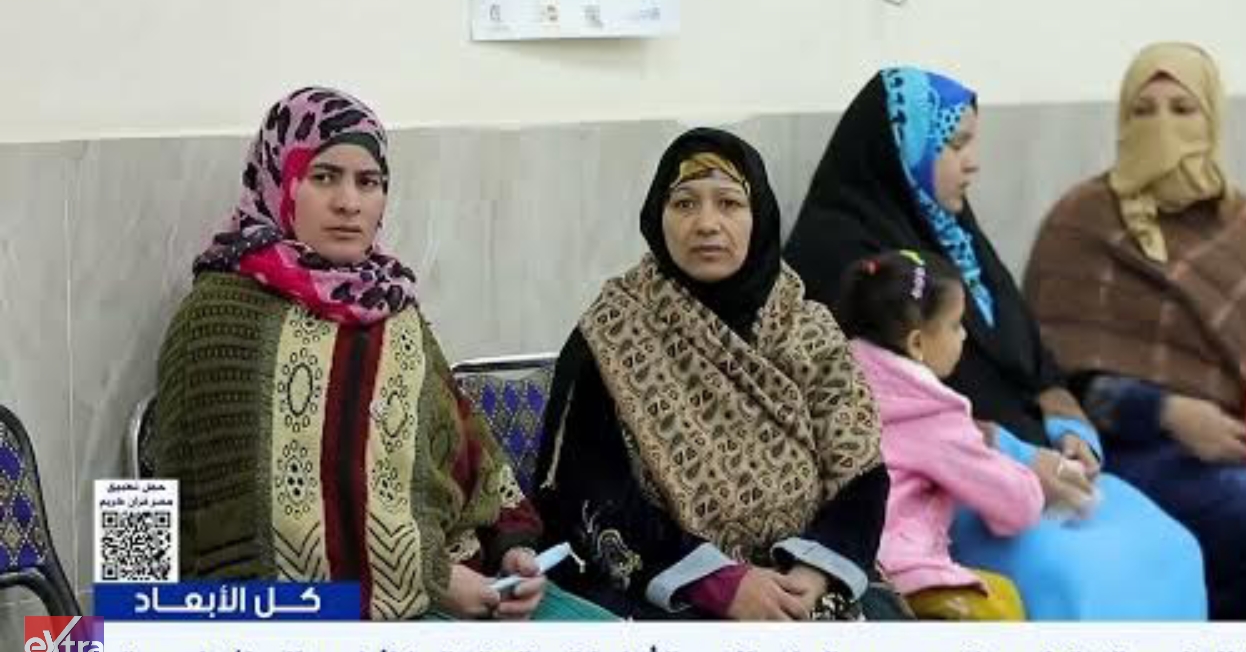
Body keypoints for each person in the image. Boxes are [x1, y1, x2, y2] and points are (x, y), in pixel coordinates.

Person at [155, 87, 609, 620]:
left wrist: (512, 553)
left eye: (368, 182)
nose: (349, 202)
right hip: (289, 623)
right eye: (324, 177)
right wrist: (433, 581)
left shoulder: (390, 308)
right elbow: (242, 517)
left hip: (466, 585)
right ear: (280, 180)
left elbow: (468, 451)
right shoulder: (216, 320)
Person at [787, 68, 1205, 619]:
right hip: (938, 502)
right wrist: (1014, 455)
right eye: (955, 144)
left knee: (1173, 546)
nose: (973, 163)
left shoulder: (952, 237)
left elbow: (1027, 353)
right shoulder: (842, 257)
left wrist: (1068, 428)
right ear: (905, 152)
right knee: (1080, 576)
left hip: (1025, 470)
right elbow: (881, 410)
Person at [1024, 44, 1246, 619]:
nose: (1163, 126)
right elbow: (1051, 376)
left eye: (1182, 108)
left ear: (1212, 119)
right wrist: (1166, 412)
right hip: (1122, 450)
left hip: (1240, 448)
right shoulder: (1081, 221)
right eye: (1143, 110)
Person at [533, 127, 897, 620]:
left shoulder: (809, 330)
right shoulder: (614, 331)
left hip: (813, 582)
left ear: (759, 216)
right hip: (671, 592)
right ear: (657, 217)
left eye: (729, 203)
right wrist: (722, 585)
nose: (706, 223)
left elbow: (859, 473)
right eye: (684, 204)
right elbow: (590, 494)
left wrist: (814, 574)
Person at [840, 250, 1094, 620]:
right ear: (916, 344)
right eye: (956, 325)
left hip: (832, 558)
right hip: (898, 571)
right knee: (1002, 602)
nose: (964, 337)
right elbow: (1016, 504)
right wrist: (1034, 480)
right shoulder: (932, 414)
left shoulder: (839, 378)